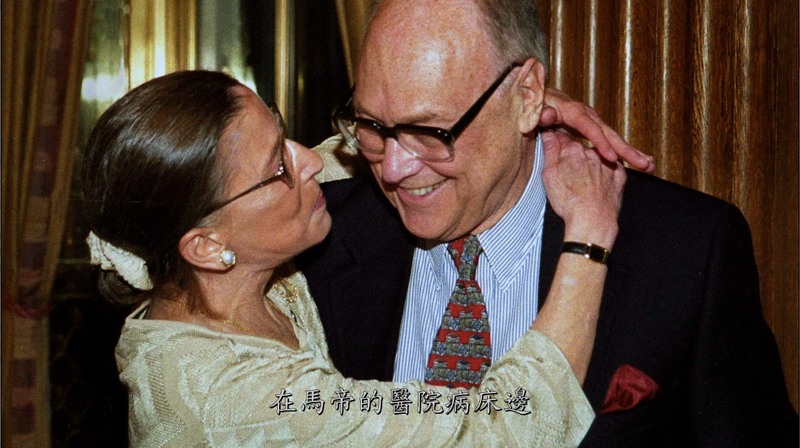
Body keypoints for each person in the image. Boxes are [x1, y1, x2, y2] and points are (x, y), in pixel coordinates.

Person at [296, 0, 799, 446]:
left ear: (528, 94)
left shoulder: (686, 248)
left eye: (429, 131)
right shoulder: (313, 241)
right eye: (371, 126)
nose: (393, 168)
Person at [83, 69, 630, 446]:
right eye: (279, 167)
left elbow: (340, 157)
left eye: (284, 135)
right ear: (205, 245)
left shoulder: (222, 278)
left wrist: (504, 105)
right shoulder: (233, 400)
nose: (308, 161)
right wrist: (589, 232)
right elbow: (503, 429)